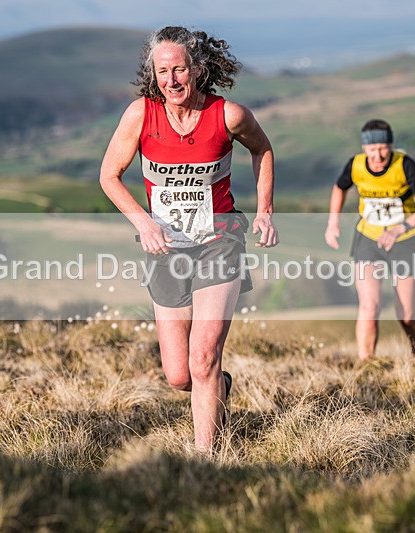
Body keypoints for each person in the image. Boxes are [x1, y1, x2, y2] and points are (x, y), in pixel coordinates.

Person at [100, 26, 278, 452]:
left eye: (180, 69)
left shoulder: (228, 115)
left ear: (197, 69)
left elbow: (263, 150)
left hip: (220, 241)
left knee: (203, 357)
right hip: (166, 249)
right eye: (163, 71)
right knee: (179, 374)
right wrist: (144, 223)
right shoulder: (141, 115)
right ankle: (220, 387)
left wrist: (265, 210)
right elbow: (109, 176)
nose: (172, 80)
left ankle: (206, 459)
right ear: (153, 74)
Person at [324, 119, 415, 360]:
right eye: (372, 150)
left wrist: (400, 228)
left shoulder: (404, 165)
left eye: (383, 148)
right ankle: (367, 364)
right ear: (364, 149)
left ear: (391, 145)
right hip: (369, 238)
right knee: (369, 306)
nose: (377, 155)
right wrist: (333, 222)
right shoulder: (355, 165)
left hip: (405, 240)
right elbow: (339, 187)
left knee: (405, 313)